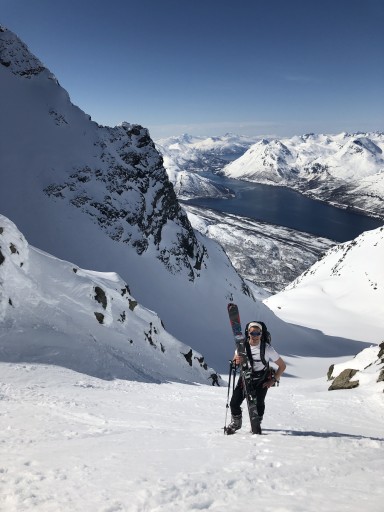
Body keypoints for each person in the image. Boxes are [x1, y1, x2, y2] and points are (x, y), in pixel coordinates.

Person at [226, 321, 286, 435]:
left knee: (259, 403)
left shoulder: (267, 349)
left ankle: (257, 421)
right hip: (245, 378)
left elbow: (282, 366)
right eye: (253, 333)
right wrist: (235, 361)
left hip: (262, 379)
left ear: (261, 334)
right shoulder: (241, 347)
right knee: (234, 403)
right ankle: (236, 423)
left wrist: (273, 380)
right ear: (248, 333)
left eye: (258, 333)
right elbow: (235, 361)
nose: (255, 336)